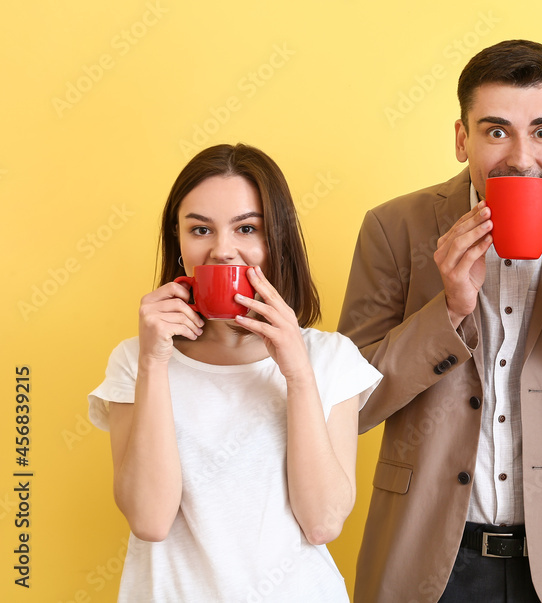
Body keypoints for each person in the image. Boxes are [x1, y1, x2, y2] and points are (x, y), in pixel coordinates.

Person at [339, 39, 542, 602]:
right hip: (428, 561)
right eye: (495, 131)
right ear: (462, 139)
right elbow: (350, 407)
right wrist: (448, 310)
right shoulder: (393, 229)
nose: (520, 156)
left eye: (541, 131)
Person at [88, 144, 381, 601]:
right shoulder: (136, 360)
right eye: (200, 229)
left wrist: (298, 373)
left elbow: (322, 522)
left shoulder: (330, 359)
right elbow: (150, 520)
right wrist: (153, 363)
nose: (222, 251)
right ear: (179, 243)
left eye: (247, 228)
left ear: (276, 240)